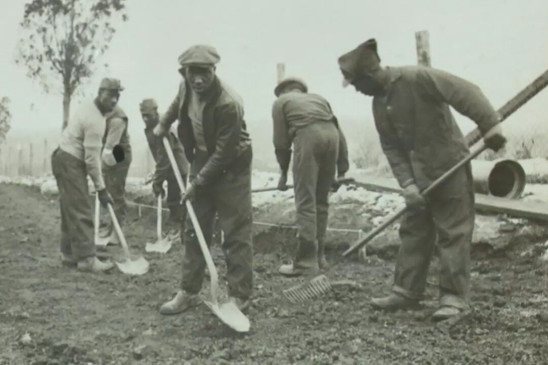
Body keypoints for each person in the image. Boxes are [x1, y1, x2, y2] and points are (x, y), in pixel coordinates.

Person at [338, 38, 507, 320]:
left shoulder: (418, 77)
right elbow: (391, 147)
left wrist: (490, 125)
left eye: (356, 83)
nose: (355, 90)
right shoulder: (379, 103)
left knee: (453, 232)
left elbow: (466, 91)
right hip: (419, 178)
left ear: (369, 76)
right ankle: (406, 291)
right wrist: (408, 185)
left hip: (449, 167)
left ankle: (453, 298)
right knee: (414, 230)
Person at [154, 45, 253, 314]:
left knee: (235, 231)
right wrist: (164, 123)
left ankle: (240, 297)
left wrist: (196, 183)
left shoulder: (229, 103)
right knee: (194, 226)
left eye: (204, 74)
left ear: (213, 71)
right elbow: (177, 105)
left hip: (232, 164)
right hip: (203, 157)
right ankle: (189, 291)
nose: (198, 80)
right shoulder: (186, 86)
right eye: (192, 73)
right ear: (185, 72)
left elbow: (224, 154)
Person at [272, 76, 349, 276]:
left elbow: (281, 143)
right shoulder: (319, 99)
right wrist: (341, 169)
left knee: (305, 202)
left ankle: (305, 262)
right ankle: (320, 258)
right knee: (321, 201)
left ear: (283, 91)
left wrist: (282, 174)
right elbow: (339, 132)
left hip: (308, 137)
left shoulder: (280, 102)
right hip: (332, 139)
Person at [51, 78, 125, 272]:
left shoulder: (89, 108)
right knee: (82, 207)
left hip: (62, 157)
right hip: (70, 161)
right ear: (100, 92)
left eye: (117, 95)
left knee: (70, 207)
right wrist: (101, 189)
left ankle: (68, 254)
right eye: (110, 95)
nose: (114, 100)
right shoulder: (96, 120)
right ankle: (86, 259)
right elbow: (92, 161)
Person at [140, 98, 189, 235]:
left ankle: (179, 231)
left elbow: (164, 158)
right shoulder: (153, 126)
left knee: (176, 200)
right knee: (174, 201)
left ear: (155, 112)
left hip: (176, 168)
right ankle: (176, 229)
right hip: (169, 167)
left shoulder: (162, 128)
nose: (144, 118)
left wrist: (157, 181)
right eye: (142, 115)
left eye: (148, 115)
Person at [98, 99, 132, 245]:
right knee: (104, 190)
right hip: (106, 153)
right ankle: (105, 228)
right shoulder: (101, 113)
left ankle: (117, 232)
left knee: (115, 192)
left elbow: (110, 149)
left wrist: (101, 167)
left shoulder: (117, 119)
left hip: (119, 155)